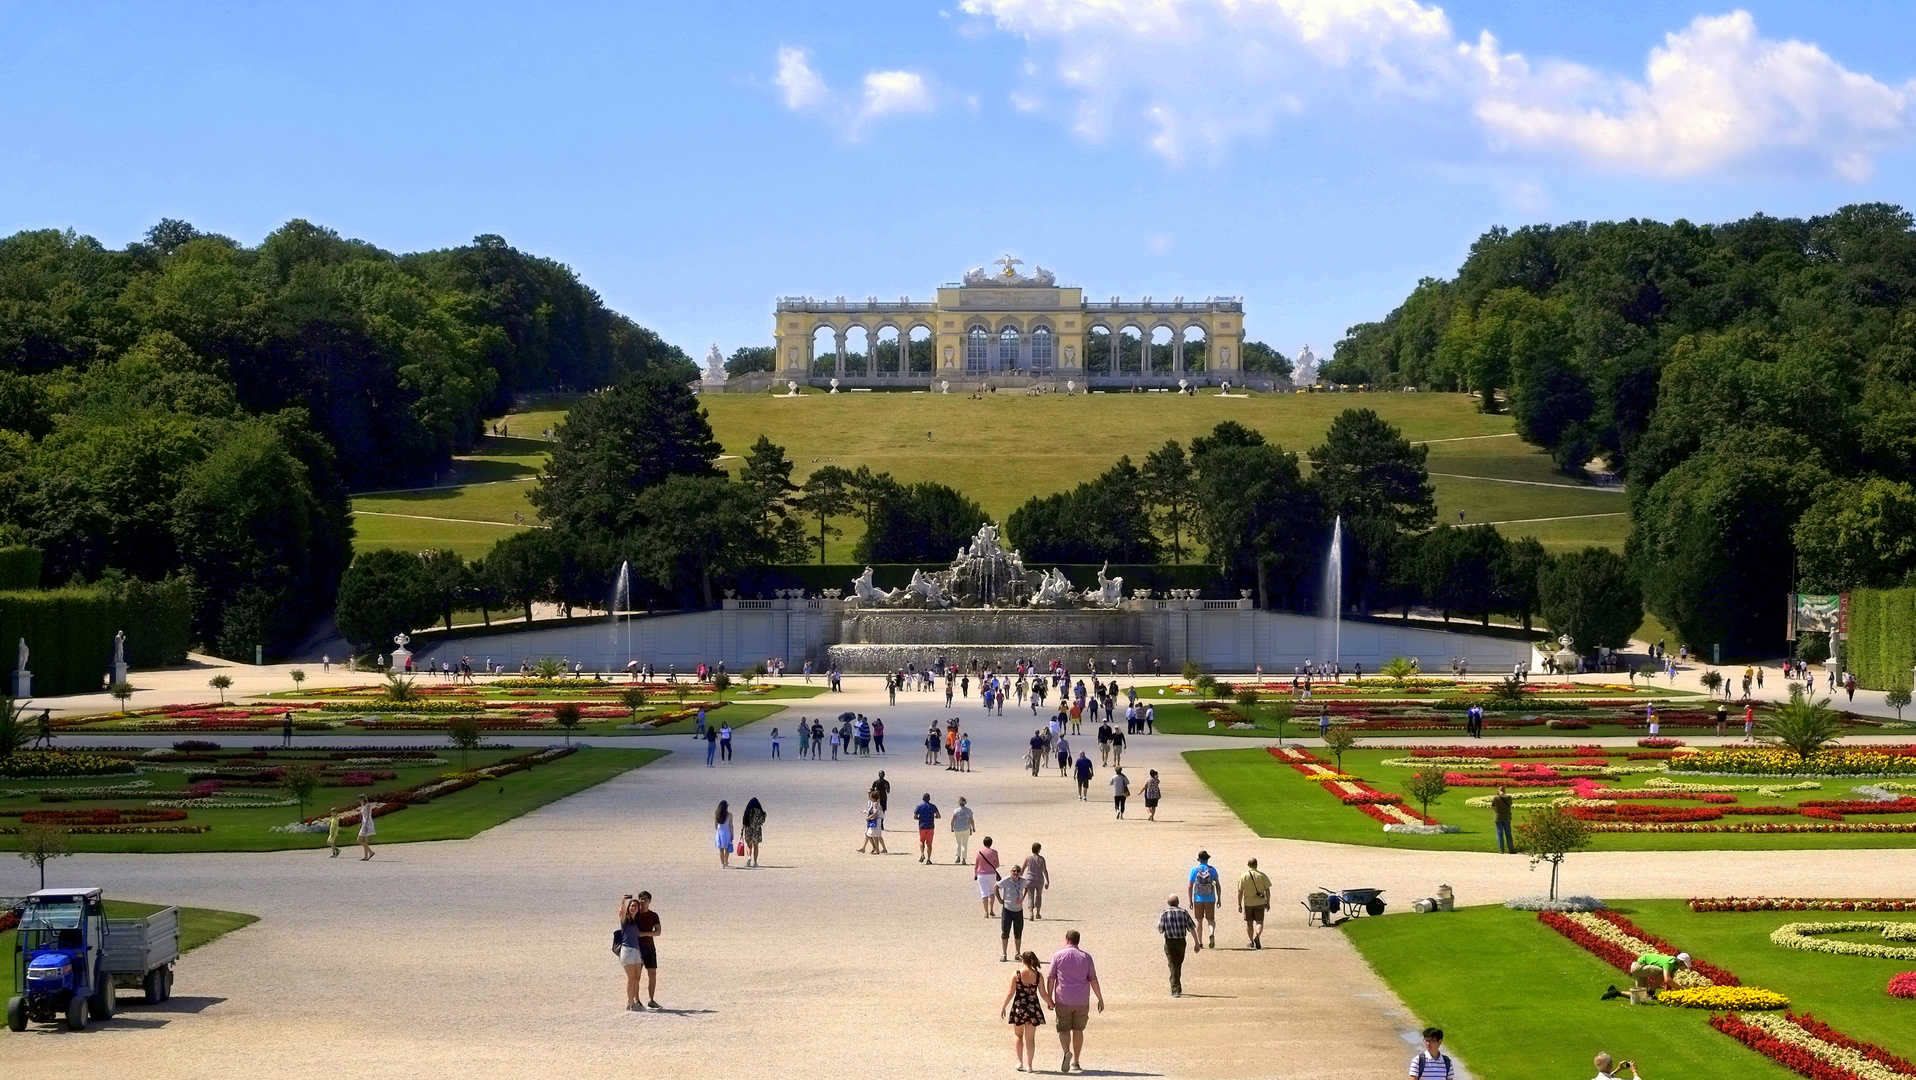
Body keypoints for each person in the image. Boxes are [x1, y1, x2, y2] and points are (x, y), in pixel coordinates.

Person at [1047, 929, 1104, 1074]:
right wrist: (1100, 998)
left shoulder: (1058, 956)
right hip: (1081, 999)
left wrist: (1049, 998)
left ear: (1067, 940)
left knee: (1063, 1029)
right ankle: (1076, 1061)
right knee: (1078, 1030)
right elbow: (1093, 979)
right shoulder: (1086, 957)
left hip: (1063, 999)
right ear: (1078, 941)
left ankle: (1067, 1052)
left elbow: (1051, 978)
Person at [1002, 951, 1052, 1072]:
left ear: (1022, 960)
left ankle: (1020, 1062)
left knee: (1018, 1035)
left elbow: (1010, 992)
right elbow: (1043, 994)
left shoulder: (1017, 974)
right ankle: (1029, 1065)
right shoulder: (1038, 976)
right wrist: (1051, 1003)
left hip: (1019, 1007)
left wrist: (1004, 1006)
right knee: (1030, 1038)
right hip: (1033, 1008)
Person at [615, 892, 662, 1010]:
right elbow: (623, 914)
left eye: (645, 899)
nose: (642, 902)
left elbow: (658, 932)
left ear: (650, 901)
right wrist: (623, 901)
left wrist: (643, 934)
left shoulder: (651, 916)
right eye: (640, 899)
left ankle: (649, 1000)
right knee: (634, 978)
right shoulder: (633, 916)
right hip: (634, 949)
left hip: (647, 948)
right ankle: (634, 1001)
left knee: (649, 975)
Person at [1157, 895, 1197, 996]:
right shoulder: (1184, 912)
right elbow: (1191, 927)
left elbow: (1161, 929)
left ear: (1168, 903)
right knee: (1177, 964)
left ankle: (1175, 988)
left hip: (1170, 942)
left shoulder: (1165, 913)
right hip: (1181, 942)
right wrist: (1196, 942)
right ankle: (1176, 987)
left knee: (1173, 965)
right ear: (1178, 902)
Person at [1237, 857, 1272, 949]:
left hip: (1248, 903)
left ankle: (1251, 941)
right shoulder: (1262, 875)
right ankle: (1257, 936)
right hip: (1259, 902)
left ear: (1248, 865)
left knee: (1249, 923)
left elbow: (1240, 891)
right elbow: (1267, 890)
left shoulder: (1244, 876)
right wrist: (1268, 902)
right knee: (1259, 922)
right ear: (1256, 865)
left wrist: (1239, 904)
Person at [1188, 850, 1219, 949]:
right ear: (1207, 859)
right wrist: (1219, 898)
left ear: (1199, 859)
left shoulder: (1194, 869)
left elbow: (1190, 885)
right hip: (1210, 898)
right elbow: (1218, 884)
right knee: (1210, 920)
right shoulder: (1212, 870)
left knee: (1199, 921)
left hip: (1198, 898)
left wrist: (1190, 900)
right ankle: (1211, 933)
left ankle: (1200, 942)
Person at [997, 863, 1028, 961]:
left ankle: (1017, 953)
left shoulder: (1023, 881)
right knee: (1005, 932)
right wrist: (1000, 900)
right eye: (1014, 871)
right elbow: (995, 887)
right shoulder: (1006, 880)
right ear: (1011, 872)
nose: (1015, 873)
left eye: (1018, 871)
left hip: (1018, 910)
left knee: (1018, 932)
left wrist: (1022, 897)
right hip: (1007, 909)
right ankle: (1004, 953)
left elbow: (1026, 887)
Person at [976, 836, 1002, 917]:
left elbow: (976, 865)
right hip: (991, 874)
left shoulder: (979, 852)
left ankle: (986, 912)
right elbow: (997, 865)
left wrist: (975, 874)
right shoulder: (994, 852)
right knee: (992, 892)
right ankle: (991, 910)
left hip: (981, 874)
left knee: (984, 893)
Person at [1024, 843, 1050, 919]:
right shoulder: (1042, 859)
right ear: (1038, 850)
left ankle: (1031, 913)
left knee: (1030, 896)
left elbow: (1022, 869)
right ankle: (1038, 913)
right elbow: (1044, 870)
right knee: (1038, 896)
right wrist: (1047, 881)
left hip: (1030, 879)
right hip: (1039, 879)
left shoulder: (1028, 858)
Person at [914, 792, 941, 863]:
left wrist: (920, 818)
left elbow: (915, 816)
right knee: (929, 844)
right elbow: (938, 816)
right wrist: (933, 816)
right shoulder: (933, 806)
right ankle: (928, 859)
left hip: (922, 826)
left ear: (923, 799)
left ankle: (922, 854)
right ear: (929, 799)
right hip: (930, 827)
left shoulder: (919, 806)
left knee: (921, 841)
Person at [741, 797, 766, 867]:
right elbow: (762, 820)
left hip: (748, 828)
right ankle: (755, 862)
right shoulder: (759, 811)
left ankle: (749, 857)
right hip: (756, 829)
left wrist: (742, 829)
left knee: (749, 845)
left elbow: (744, 821)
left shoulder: (747, 811)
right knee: (756, 846)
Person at [1491, 785, 1515, 854]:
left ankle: (1501, 849)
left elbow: (1492, 806)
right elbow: (1510, 804)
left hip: (1498, 817)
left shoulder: (1495, 798)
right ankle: (1511, 849)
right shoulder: (1508, 797)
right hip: (1506, 816)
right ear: (1504, 790)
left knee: (1499, 833)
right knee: (1508, 833)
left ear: (1498, 790)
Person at [952, 797, 975, 864]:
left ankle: (958, 857)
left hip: (957, 829)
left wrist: (951, 827)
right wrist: (973, 828)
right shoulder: (969, 811)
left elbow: (952, 820)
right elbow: (971, 820)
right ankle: (964, 859)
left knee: (958, 843)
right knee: (964, 844)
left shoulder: (956, 811)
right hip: (966, 828)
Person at [714, 801, 735, 868]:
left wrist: (717, 831)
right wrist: (732, 834)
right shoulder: (729, 815)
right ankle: (726, 861)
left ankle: (722, 863)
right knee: (727, 848)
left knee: (721, 849)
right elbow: (731, 825)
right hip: (727, 832)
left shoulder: (717, 814)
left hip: (720, 831)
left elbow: (715, 825)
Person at [356, 794, 377, 860]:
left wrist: (366, 825)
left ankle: (370, 852)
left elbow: (368, 815)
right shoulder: (363, 805)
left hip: (367, 823)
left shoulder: (368, 805)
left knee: (359, 840)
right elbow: (363, 815)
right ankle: (366, 856)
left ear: (362, 799)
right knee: (364, 840)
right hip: (364, 822)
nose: (359, 801)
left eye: (360, 800)